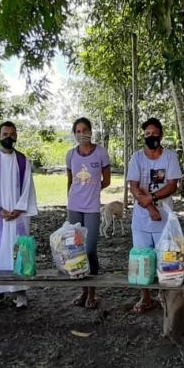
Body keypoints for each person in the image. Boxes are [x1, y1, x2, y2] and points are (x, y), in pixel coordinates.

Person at [0, 121, 38, 309]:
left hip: (18, 216)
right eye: (5, 134)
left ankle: (20, 292)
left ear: (16, 137)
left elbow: (28, 188)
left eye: (12, 134)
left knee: (19, 253)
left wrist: (19, 209)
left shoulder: (23, 161)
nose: (8, 137)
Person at [127, 117, 181, 314]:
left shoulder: (170, 157)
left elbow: (172, 185)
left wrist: (152, 197)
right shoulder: (137, 158)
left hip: (165, 220)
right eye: (147, 134)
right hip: (141, 220)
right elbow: (133, 186)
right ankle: (146, 298)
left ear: (161, 134)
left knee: (166, 259)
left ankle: (165, 296)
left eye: (154, 133)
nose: (151, 137)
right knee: (142, 260)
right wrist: (150, 207)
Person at [65, 117, 111, 309]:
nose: (82, 133)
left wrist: (92, 191)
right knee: (76, 251)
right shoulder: (70, 154)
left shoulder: (100, 152)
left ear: (91, 132)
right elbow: (70, 181)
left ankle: (93, 291)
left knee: (90, 250)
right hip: (74, 208)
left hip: (92, 208)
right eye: (78, 131)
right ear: (74, 134)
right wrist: (71, 200)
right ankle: (83, 290)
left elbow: (106, 180)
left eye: (85, 130)